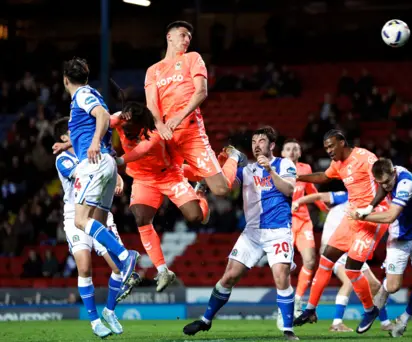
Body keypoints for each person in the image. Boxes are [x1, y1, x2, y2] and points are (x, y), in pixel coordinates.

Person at [183, 126, 300, 340]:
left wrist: (270, 171)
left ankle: (288, 329)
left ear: (272, 145)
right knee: (229, 277)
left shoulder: (284, 164)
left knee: (281, 277)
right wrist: (205, 183)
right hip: (252, 233)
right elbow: (227, 186)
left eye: (262, 141)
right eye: (254, 141)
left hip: (278, 232)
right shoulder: (246, 170)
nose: (256, 145)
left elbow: (290, 190)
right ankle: (206, 320)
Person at [111, 102, 233, 293]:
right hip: (143, 179)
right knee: (141, 218)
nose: (125, 128)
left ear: (141, 123)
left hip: (168, 174)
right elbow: (101, 122)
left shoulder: (154, 131)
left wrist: (118, 160)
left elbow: (141, 150)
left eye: (131, 125)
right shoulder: (121, 119)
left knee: (196, 217)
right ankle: (162, 271)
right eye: (124, 122)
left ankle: (200, 191)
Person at [293, 129, 390, 334]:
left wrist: (370, 207)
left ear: (342, 142)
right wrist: (299, 176)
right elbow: (323, 176)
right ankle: (310, 309)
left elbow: (384, 184)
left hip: (373, 216)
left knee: (352, 269)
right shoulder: (338, 164)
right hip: (352, 216)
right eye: (326, 147)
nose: (329, 150)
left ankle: (370, 310)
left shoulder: (365, 157)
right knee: (326, 259)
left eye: (331, 146)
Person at [54, 118, 140, 338]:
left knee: (119, 268)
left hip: (99, 212)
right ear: (64, 138)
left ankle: (109, 312)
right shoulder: (63, 158)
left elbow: (100, 169)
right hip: (76, 216)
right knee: (84, 267)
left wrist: (116, 175)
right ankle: (94, 322)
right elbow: (86, 173)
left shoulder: (90, 153)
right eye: (70, 132)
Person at [144, 20, 244, 197]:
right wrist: (159, 124)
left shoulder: (192, 58)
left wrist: (179, 117)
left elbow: (201, 92)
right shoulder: (153, 70)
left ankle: (233, 156)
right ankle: (201, 178)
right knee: (154, 171)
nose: (187, 40)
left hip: (191, 131)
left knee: (221, 189)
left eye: (189, 37)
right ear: (170, 37)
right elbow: (151, 103)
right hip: (166, 133)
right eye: (183, 35)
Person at [62, 57, 139, 286]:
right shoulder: (97, 95)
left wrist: (94, 142)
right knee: (99, 223)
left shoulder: (83, 95)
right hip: (106, 162)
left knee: (80, 220)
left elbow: (103, 118)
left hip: (92, 161)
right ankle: (124, 270)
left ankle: (125, 258)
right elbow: (102, 121)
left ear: (66, 80)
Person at [347, 158, 412, 338]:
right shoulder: (388, 176)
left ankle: (403, 320)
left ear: (394, 173)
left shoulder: (406, 183)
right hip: (399, 238)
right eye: (381, 183)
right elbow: (383, 187)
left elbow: (390, 216)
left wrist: (363, 216)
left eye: (388, 182)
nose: (386, 186)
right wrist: (370, 206)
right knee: (394, 286)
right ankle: (372, 312)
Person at [293, 190, 392, 332]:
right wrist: (299, 201)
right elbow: (320, 196)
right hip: (336, 247)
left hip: (350, 246)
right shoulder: (347, 196)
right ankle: (337, 323)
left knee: (375, 286)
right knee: (348, 281)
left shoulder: (368, 202)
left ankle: (385, 323)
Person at [280, 139, 327, 317]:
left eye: (295, 149)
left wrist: (327, 209)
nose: (292, 151)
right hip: (284, 222)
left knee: (309, 261)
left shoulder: (305, 169)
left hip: (303, 221)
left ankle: (298, 301)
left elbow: (312, 192)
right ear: (282, 153)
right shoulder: (276, 169)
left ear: (299, 153)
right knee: (283, 265)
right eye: (288, 149)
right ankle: (284, 301)